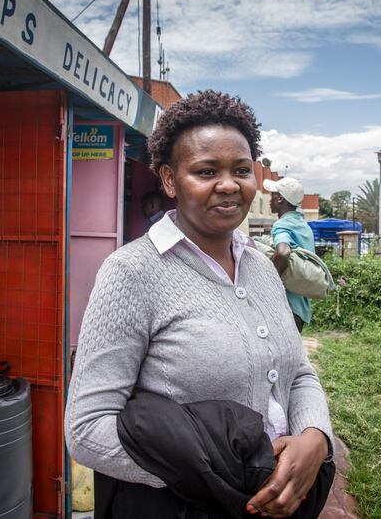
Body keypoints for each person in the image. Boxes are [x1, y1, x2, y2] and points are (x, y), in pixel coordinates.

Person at [65, 90, 334, 518]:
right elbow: (86, 429)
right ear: (170, 180)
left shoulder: (262, 268)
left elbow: (297, 373)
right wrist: (220, 476)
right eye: (206, 171)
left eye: (241, 170)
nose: (228, 185)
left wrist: (315, 437)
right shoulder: (132, 273)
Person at [265, 177, 315, 333]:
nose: (269, 199)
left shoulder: (282, 225)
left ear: (280, 199)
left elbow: (283, 253)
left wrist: (266, 283)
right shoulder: (303, 225)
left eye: (272, 195)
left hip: (286, 307)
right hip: (301, 307)